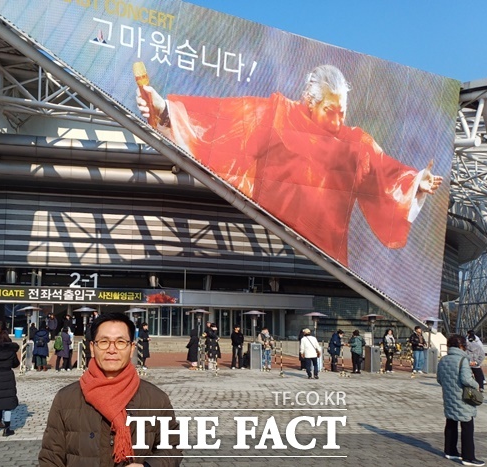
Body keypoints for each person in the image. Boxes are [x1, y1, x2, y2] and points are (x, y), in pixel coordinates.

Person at [136, 64, 443, 267]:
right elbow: (219, 122)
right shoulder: (274, 117)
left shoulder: (356, 145)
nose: (337, 121)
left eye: (342, 112)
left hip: (327, 263)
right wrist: (164, 110)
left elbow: (387, 176)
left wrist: (417, 183)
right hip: (267, 248)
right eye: (330, 111)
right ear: (309, 103)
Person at [39, 312, 181, 466]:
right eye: (104, 341)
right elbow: (51, 458)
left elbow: (173, 448)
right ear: (92, 348)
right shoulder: (66, 398)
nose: (112, 349)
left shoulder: (155, 399)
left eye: (120, 342)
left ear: (132, 348)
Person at [437, 334, 484, 466]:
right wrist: (477, 385)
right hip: (462, 398)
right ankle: (468, 457)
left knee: (451, 422)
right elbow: (466, 379)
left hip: (449, 395)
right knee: (467, 425)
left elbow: (439, 379)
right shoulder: (462, 360)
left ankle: (450, 451)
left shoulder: (443, 360)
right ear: (461, 346)